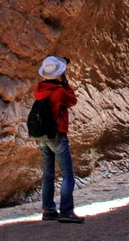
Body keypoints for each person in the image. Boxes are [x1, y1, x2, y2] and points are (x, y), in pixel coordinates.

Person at [34, 56, 85, 224]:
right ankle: (66, 211)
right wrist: (65, 82)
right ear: (59, 74)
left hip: (42, 135)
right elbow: (72, 100)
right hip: (57, 133)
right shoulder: (60, 91)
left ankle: (48, 209)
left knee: (48, 173)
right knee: (67, 174)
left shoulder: (39, 89)